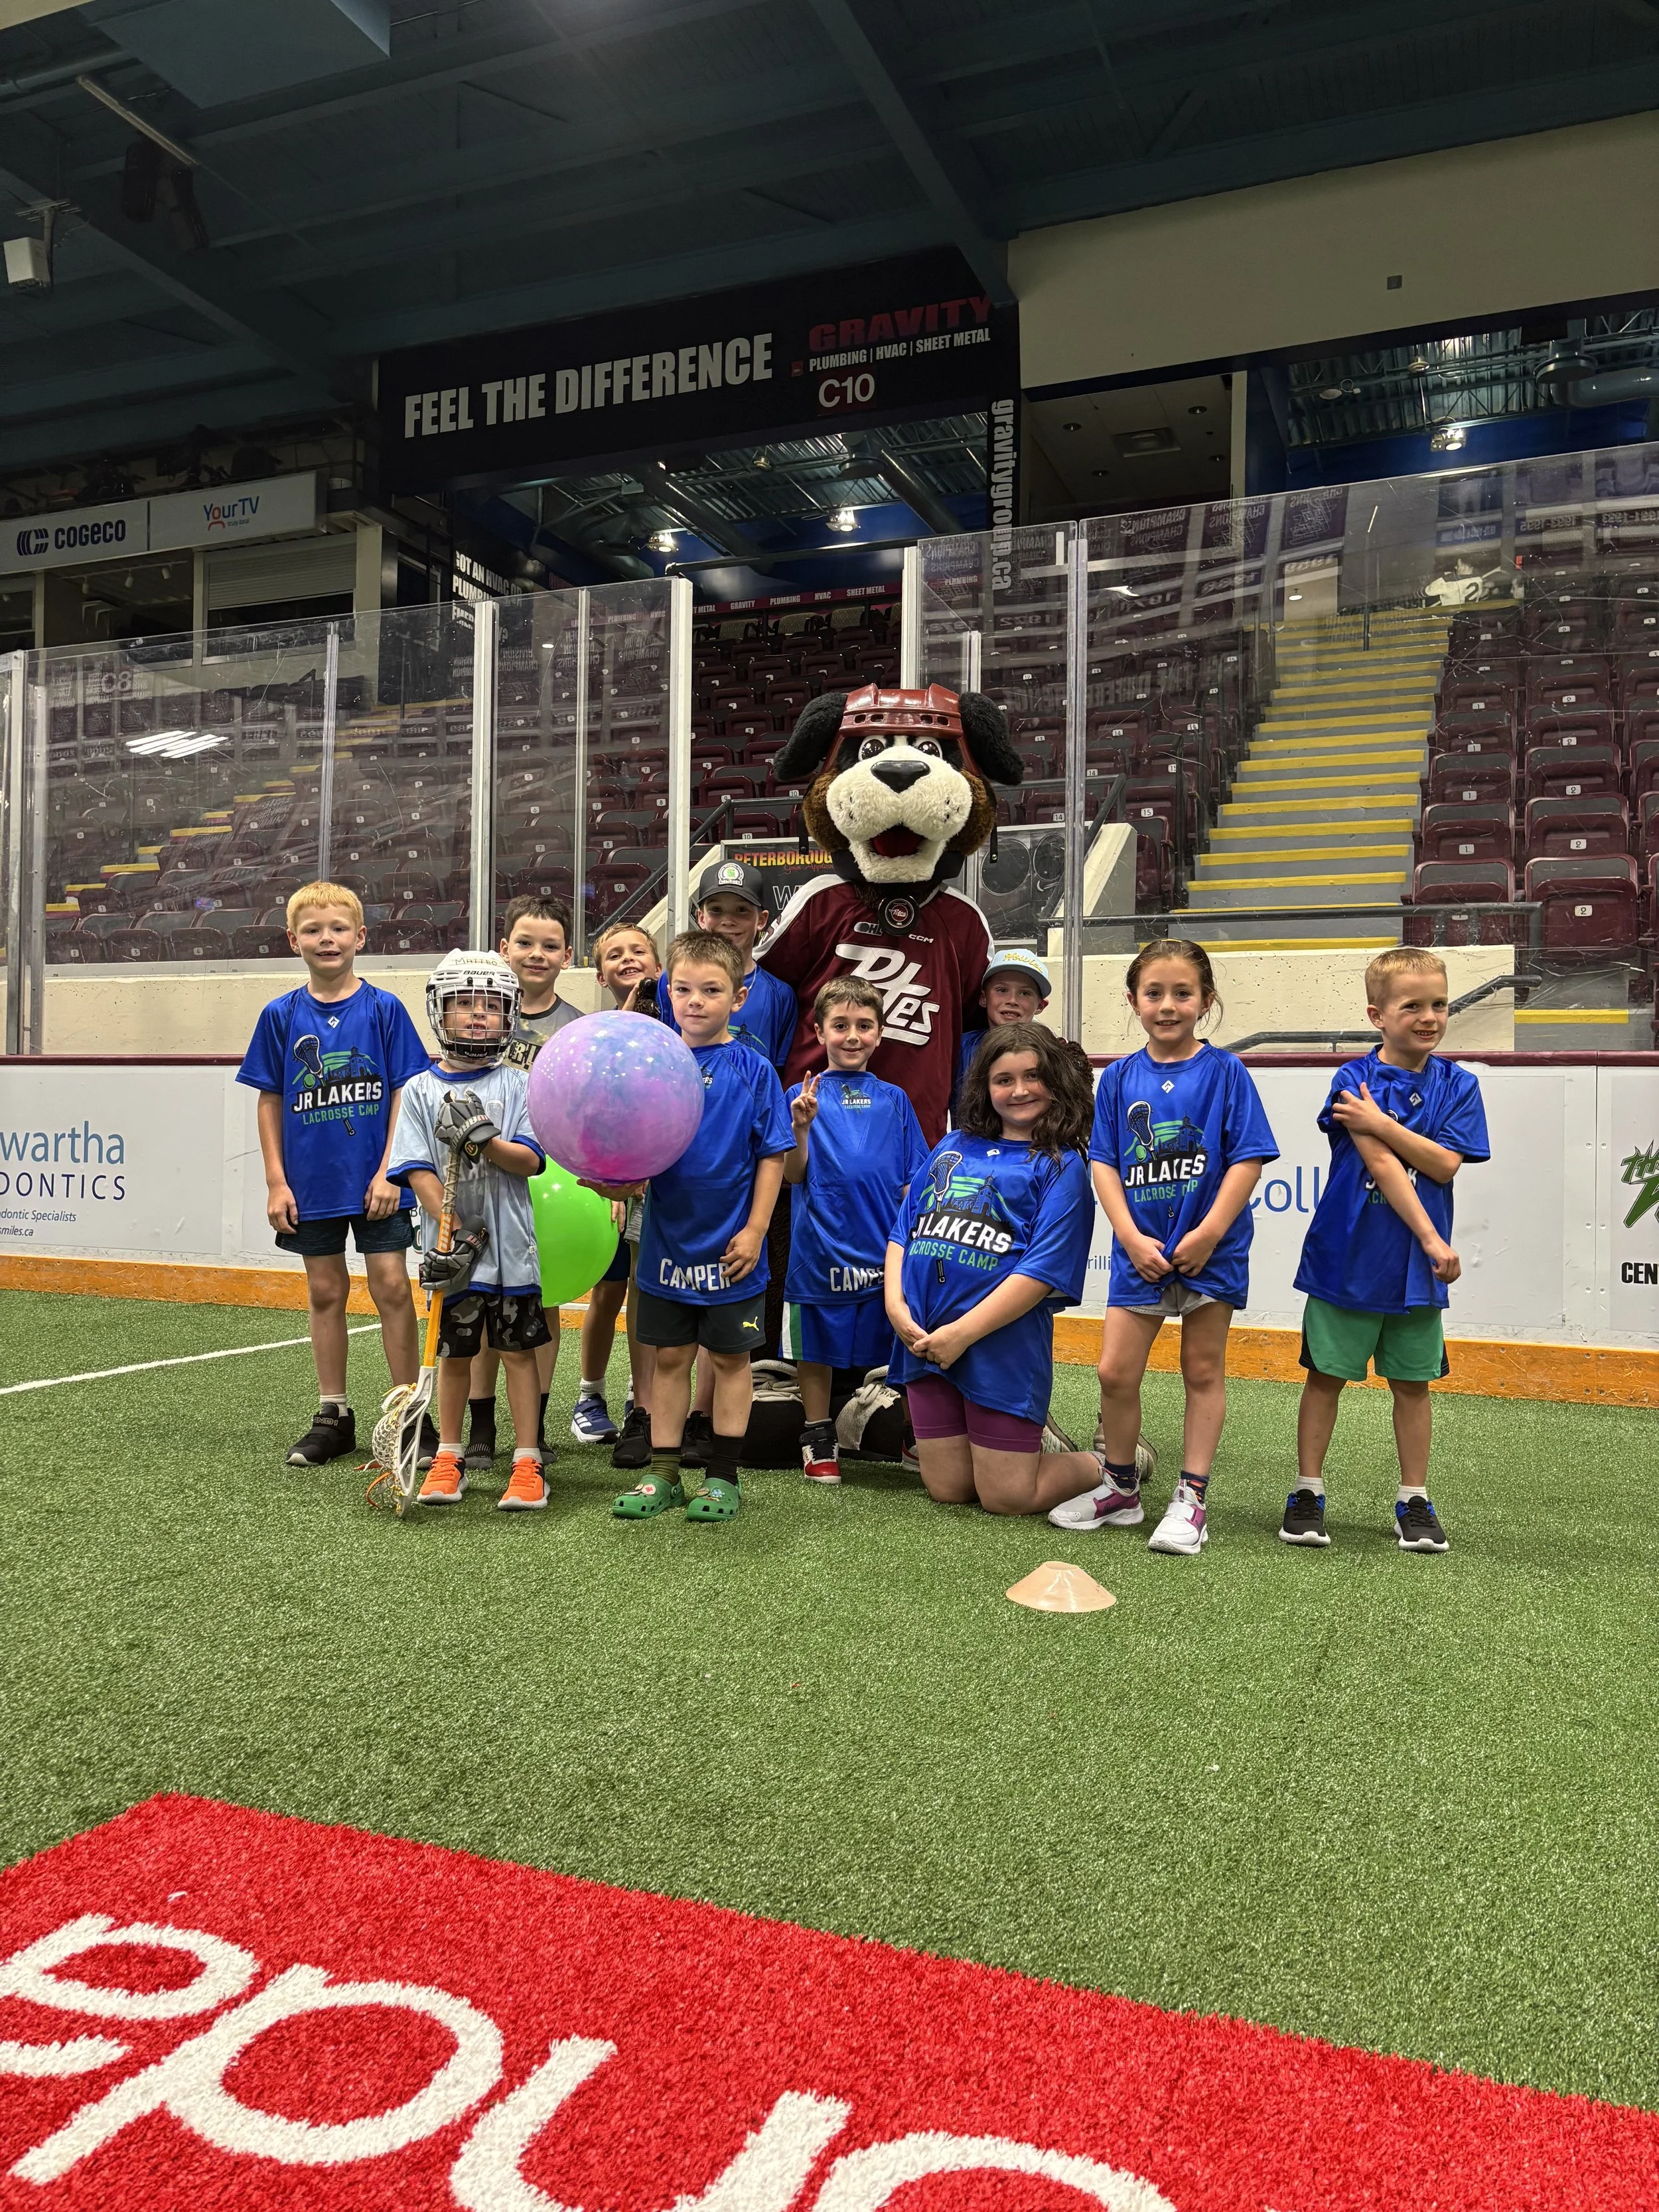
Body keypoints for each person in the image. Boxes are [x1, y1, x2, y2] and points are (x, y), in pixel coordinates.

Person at [1054, 939, 1277, 1557]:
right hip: (1140, 1253)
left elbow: (1249, 1158)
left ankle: (1192, 1499)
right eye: (1154, 993)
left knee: (1202, 1372)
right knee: (1114, 1372)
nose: (1169, 1004)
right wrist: (1127, 1234)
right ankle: (1120, 1487)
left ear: (1207, 1000)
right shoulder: (1121, 1076)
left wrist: (1207, 1234)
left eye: (1183, 992)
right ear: (1133, 1000)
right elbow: (1104, 1163)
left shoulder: (1227, 1072)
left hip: (1213, 1253)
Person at [1285, 947, 1489, 1552]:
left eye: (1440, 1004)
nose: (1428, 1017)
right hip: (1345, 1259)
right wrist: (1432, 1235)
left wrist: (1384, 1125)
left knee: (1413, 1385)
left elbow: (1445, 1164)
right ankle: (1307, 1491)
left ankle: (1414, 1498)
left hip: (1415, 1276)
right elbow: (1383, 1165)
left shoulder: (1460, 1085)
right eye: (1412, 1006)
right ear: (1377, 1014)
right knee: (1325, 1377)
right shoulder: (1353, 1080)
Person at [600, 928, 792, 1524]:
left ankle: (722, 1477)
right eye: (682, 988)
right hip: (665, 1244)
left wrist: (758, 1228)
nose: (695, 1000)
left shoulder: (756, 1070)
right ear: (667, 991)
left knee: (732, 1361)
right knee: (670, 1360)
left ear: (738, 997)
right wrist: (615, 1181)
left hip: (732, 1247)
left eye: (712, 989)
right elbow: (634, 1154)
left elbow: (773, 1155)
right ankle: (664, 1475)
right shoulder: (652, 1062)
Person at [238, 880, 429, 1469]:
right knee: (325, 1291)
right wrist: (276, 1180)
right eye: (315, 930)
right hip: (310, 1185)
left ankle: (407, 1415)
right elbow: (269, 1098)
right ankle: (334, 1415)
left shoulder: (384, 1009)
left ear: (361, 936)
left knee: (393, 1286)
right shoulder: (280, 1015)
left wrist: (391, 1171)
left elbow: (405, 1090)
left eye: (339, 928)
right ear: (294, 939)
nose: (328, 938)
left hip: (377, 1183)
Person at [885, 1023, 1106, 1517]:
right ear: (984, 1086)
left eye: (1032, 1076)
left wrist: (961, 1334)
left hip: (999, 1346)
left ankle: (1109, 1466)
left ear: (1055, 1082)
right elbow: (904, 1231)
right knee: (948, 1488)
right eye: (1004, 1079)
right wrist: (894, 1304)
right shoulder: (953, 1145)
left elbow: (1041, 1272)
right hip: (924, 1342)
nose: (1019, 1089)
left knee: (1007, 1497)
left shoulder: (1061, 1165)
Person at [387, 950, 552, 1512]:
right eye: (465, 1004)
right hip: (453, 1254)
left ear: (509, 1014)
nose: (479, 1015)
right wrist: (449, 1227)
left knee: (517, 1354)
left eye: (491, 1005)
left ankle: (528, 1461)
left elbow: (529, 1161)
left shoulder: (520, 1084)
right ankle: (449, 1456)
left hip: (510, 1252)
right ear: (441, 1011)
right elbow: (416, 1168)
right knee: (455, 1356)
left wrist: (483, 1139)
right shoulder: (416, 1090)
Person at [782, 978, 928, 1482]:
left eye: (864, 1025)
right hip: (819, 1250)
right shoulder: (800, 1096)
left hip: (883, 1253)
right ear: (819, 1030)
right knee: (816, 1348)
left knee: (903, 1345)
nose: (852, 1035)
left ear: (880, 1033)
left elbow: (916, 1180)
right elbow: (792, 1174)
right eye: (840, 1025)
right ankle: (818, 1435)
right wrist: (801, 1128)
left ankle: (915, 1436)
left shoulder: (896, 1099)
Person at [463, 894, 583, 1475]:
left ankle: (533, 1422)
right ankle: (481, 1427)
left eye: (551, 945)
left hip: (556, 1190)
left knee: (547, 1305)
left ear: (568, 955)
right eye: (525, 943)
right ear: (503, 948)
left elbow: (592, 1116)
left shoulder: (579, 1027)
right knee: (483, 1305)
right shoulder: (476, 1013)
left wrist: (599, 1189)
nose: (537, 954)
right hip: (485, 1183)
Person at [571, 921, 664, 1471]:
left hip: (656, 1182)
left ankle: (640, 1395)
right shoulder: (597, 1030)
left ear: (658, 964)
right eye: (614, 954)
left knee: (643, 1293)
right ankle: (589, 1391)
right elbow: (586, 1109)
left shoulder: (678, 1025)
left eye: (639, 950)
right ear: (601, 972)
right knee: (607, 1293)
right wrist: (604, 1176)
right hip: (605, 1185)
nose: (628, 959)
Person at [656, 858, 794, 1069]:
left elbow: (779, 1072)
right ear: (701, 917)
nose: (728, 921)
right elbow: (662, 1050)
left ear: (761, 920)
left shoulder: (780, 994)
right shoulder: (672, 979)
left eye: (742, 910)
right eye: (716, 911)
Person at [952, 947, 1052, 1115]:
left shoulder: (1053, 1053)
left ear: (1041, 1006)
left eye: (1025, 993)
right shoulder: (958, 1049)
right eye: (1002, 990)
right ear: (983, 998)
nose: (1012, 1000)